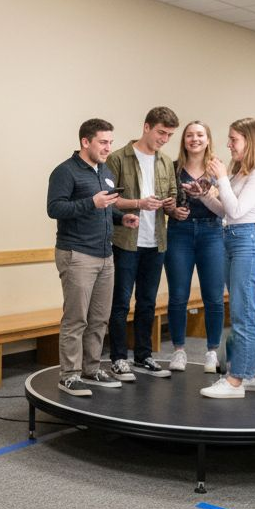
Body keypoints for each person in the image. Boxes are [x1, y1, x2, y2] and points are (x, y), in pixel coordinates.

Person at [47, 119, 139, 396]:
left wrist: (123, 218)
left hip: (105, 255)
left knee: (99, 318)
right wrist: (92, 202)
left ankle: (91, 369)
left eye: (110, 142)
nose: (108, 147)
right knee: (76, 319)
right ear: (85, 142)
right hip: (77, 254)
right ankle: (70, 375)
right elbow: (55, 208)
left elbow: (104, 209)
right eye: (103, 142)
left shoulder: (105, 171)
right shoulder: (65, 172)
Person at [197, 117, 255, 399]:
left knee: (243, 315)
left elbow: (238, 210)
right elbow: (224, 211)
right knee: (251, 313)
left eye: (234, 139)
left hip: (251, 243)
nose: (229, 144)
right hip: (234, 239)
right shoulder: (242, 172)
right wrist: (205, 194)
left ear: (251, 141)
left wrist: (220, 178)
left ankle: (235, 380)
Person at [105, 106, 180, 381]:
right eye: (161, 132)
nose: (164, 139)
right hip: (126, 242)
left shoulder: (165, 161)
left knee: (147, 302)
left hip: (156, 241)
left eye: (170, 135)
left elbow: (172, 195)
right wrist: (138, 203)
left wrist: (171, 205)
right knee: (121, 303)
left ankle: (143, 356)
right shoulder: (118, 158)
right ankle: (117, 359)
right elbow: (109, 199)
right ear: (146, 127)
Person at [163, 121, 225, 374]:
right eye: (190, 135)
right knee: (178, 295)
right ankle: (179, 351)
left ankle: (212, 352)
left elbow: (225, 207)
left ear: (208, 139)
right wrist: (171, 210)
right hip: (180, 233)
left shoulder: (217, 169)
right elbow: (164, 202)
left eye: (200, 135)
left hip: (212, 232)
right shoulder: (173, 168)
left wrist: (204, 196)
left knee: (213, 297)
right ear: (184, 140)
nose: (195, 139)